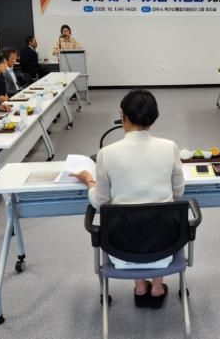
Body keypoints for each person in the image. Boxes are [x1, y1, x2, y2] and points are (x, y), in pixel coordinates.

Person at [72, 89, 184, 309]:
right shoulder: (169, 147)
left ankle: (140, 287)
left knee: (131, 218)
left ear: (122, 116)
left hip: (121, 246)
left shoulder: (107, 153)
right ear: (154, 118)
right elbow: (177, 193)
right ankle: (157, 288)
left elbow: (100, 202)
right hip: (166, 243)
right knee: (158, 215)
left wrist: (89, 181)